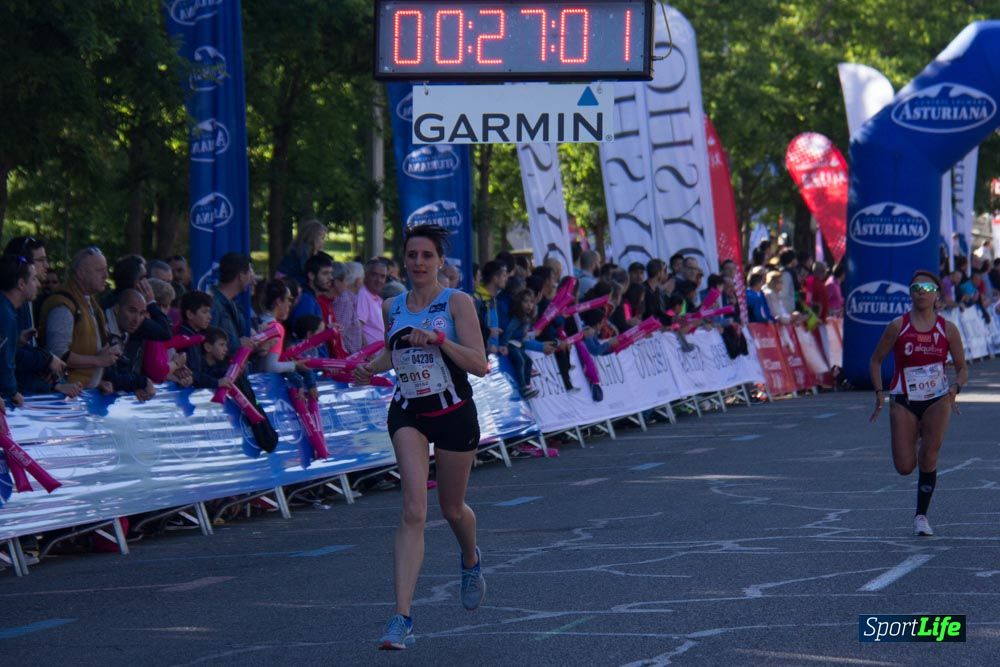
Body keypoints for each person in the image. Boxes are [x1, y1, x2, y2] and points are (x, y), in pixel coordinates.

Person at [353, 224, 489, 651]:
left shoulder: (458, 302)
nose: (418, 263)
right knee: (413, 509)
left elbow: (480, 364)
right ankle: (401, 618)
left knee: (451, 509)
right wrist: (368, 368)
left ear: (439, 262)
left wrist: (440, 339)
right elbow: (393, 354)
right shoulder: (393, 306)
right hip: (409, 412)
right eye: (411, 256)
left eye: (426, 256)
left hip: (454, 414)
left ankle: (470, 558)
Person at [868, 270, 968, 537]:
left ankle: (921, 516)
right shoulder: (897, 326)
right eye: (915, 288)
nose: (921, 291)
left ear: (937, 294)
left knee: (929, 457)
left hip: (937, 400)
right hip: (904, 400)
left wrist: (955, 388)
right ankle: (917, 437)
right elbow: (876, 360)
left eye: (926, 287)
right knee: (904, 466)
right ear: (910, 293)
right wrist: (879, 393)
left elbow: (962, 368)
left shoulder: (947, 329)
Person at [39, 246, 121, 389]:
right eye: (99, 270)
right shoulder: (63, 305)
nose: (106, 275)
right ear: (81, 273)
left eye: (105, 269)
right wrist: (98, 360)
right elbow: (58, 354)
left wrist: (97, 382)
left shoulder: (89, 302)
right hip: (65, 401)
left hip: (82, 395)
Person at [211, 252, 255, 353]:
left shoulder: (233, 305)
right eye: (249, 272)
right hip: (221, 368)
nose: (252, 279)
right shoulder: (213, 304)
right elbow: (208, 341)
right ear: (241, 276)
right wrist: (238, 345)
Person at [276, 219, 327, 287]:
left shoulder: (300, 251)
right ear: (313, 237)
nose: (323, 242)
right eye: (322, 238)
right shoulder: (302, 253)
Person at [290, 253, 334, 324]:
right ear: (311, 275)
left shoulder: (311, 298)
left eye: (331, 273)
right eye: (325, 273)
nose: (331, 278)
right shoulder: (306, 300)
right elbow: (306, 333)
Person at [357, 258, 387, 347]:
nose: (379, 280)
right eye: (374, 275)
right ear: (365, 276)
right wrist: (368, 355)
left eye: (383, 276)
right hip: (370, 358)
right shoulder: (363, 295)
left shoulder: (378, 299)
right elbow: (358, 330)